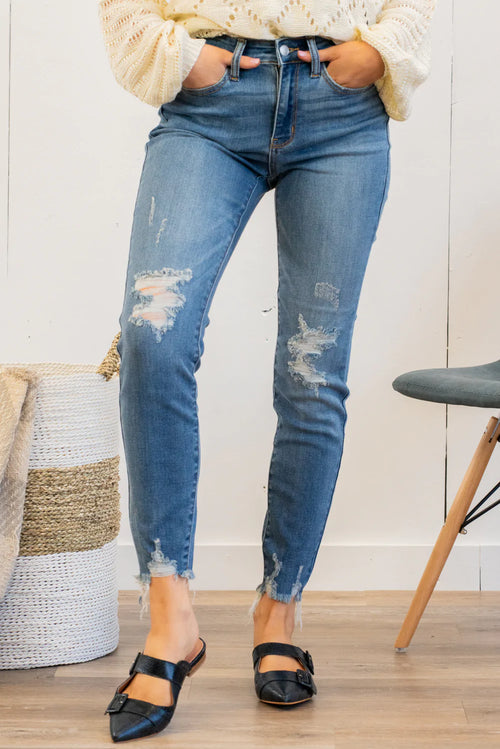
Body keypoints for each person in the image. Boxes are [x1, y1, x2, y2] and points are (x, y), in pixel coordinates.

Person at [98, 0, 436, 741]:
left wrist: (379, 50)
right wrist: (180, 54)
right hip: (210, 105)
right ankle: (171, 622)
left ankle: (279, 611)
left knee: (312, 371)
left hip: (342, 112)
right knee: (153, 338)